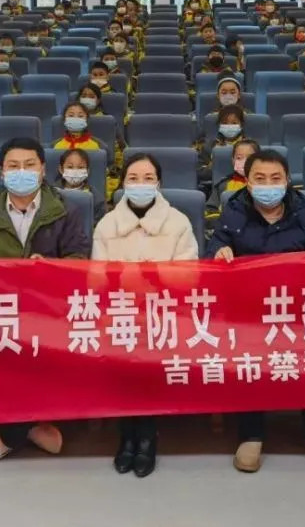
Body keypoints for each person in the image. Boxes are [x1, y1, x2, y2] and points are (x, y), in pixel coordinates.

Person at [206, 149, 305, 475]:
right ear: (248, 182)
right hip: (248, 310)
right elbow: (213, 247)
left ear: (287, 181)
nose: (268, 185)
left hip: (297, 309)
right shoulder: (233, 213)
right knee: (248, 356)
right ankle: (251, 435)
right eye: (260, 178)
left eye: (275, 178)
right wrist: (219, 251)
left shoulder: (304, 212)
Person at [0, 138, 90, 467]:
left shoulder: (66, 212)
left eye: (29, 165)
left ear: (43, 170)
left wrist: (51, 269)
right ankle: (29, 426)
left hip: (51, 309)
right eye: (13, 166)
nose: (22, 171)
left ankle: (12, 436)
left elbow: (80, 260)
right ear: (1, 172)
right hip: (1, 312)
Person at [92, 153, 198, 478]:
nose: (141, 184)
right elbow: (96, 279)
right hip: (120, 312)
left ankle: (147, 436)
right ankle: (127, 436)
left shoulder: (178, 222)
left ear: (159, 183)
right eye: (133, 178)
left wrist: (153, 279)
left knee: (149, 358)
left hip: (165, 312)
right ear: (123, 183)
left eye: (148, 178)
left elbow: (190, 276)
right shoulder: (107, 224)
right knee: (125, 359)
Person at [205, 138, 258, 222]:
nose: (245, 162)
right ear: (233, 160)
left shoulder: (267, 185)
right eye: (239, 158)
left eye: (250, 157)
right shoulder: (223, 185)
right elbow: (210, 212)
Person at [56, 148, 105, 222]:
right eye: (70, 167)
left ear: (87, 171)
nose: (75, 171)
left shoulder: (96, 198)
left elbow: (100, 223)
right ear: (61, 169)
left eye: (81, 167)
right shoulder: (51, 193)